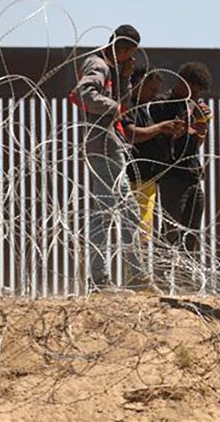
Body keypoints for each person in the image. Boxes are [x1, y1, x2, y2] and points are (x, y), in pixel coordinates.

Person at [69, 24, 146, 289]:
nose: (130, 58)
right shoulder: (98, 65)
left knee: (125, 211)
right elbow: (82, 94)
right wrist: (114, 106)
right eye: (130, 53)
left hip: (110, 145)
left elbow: (119, 105)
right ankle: (107, 277)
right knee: (109, 211)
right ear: (124, 49)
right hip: (103, 145)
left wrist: (124, 78)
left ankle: (131, 274)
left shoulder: (111, 68)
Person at [149, 62, 212, 288]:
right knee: (171, 230)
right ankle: (161, 278)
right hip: (171, 175)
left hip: (193, 174)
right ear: (181, 81)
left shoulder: (195, 106)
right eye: (192, 90)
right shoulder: (163, 104)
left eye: (198, 93)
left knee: (191, 233)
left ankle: (186, 280)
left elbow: (197, 143)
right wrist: (187, 122)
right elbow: (166, 137)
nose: (195, 95)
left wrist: (202, 127)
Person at [123, 67, 185, 256]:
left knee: (143, 231)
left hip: (148, 178)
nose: (153, 95)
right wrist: (160, 128)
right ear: (137, 85)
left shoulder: (144, 109)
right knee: (136, 230)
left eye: (156, 91)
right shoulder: (127, 106)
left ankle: (138, 274)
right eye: (151, 90)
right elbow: (132, 134)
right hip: (134, 178)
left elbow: (151, 136)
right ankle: (134, 276)